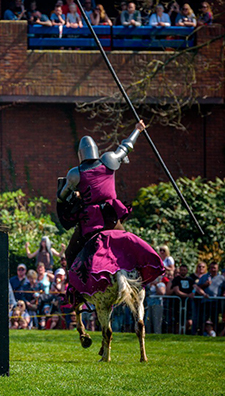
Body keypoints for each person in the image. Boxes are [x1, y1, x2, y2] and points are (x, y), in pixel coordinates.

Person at [57, 120, 164, 298]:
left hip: (91, 223)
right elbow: (126, 147)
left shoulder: (75, 173)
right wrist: (137, 129)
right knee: (127, 244)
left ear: (80, 154)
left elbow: (62, 195)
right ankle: (139, 281)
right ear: (96, 150)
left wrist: (71, 196)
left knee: (71, 253)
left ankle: (74, 291)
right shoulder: (109, 161)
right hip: (112, 218)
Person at [171, 264, 195, 332]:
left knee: (189, 321)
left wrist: (194, 292)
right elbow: (177, 291)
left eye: (184, 270)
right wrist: (188, 295)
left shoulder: (190, 279)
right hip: (178, 303)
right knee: (178, 321)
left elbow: (195, 287)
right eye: (181, 270)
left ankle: (182, 332)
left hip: (188, 304)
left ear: (187, 271)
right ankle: (177, 334)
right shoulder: (176, 279)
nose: (183, 271)